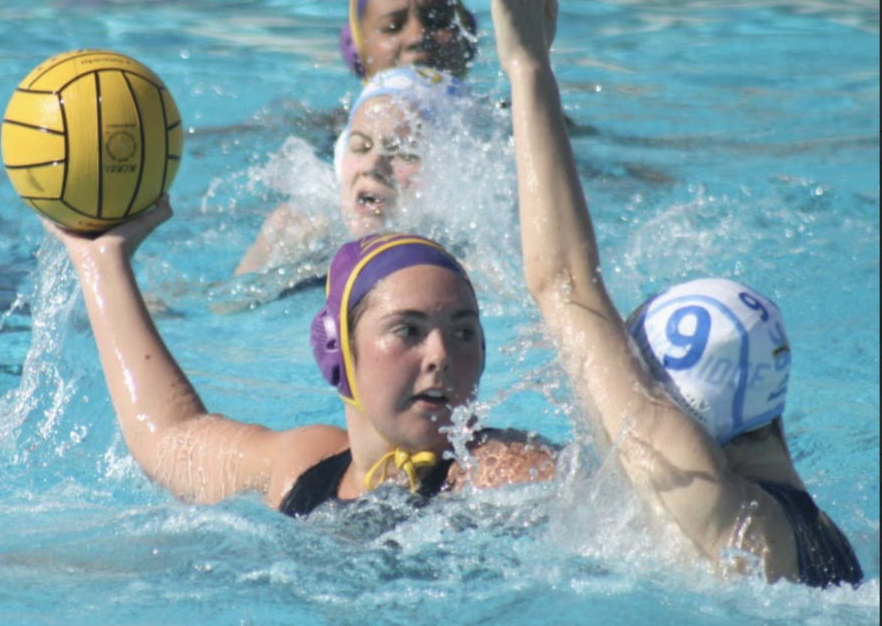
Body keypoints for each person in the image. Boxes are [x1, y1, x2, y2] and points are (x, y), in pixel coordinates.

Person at [484, 0, 862, 587]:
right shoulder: (833, 540)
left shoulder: (725, 516)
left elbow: (565, 284)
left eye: (645, 381)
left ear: (680, 406)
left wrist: (529, 69)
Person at [44, 212, 556, 517]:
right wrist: (100, 261)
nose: (442, 355)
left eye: (464, 332)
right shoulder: (303, 468)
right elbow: (171, 439)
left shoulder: (504, 473)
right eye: (409, 330)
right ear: (335, 351)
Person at [234, 66, 469, 278]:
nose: (372, 166)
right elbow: (226, 312)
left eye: (405, 154)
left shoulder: (470, 261)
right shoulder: (293, 225)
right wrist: (281, 266)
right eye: (360, 147)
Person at [340, 0, 558, 83]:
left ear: (467, 37)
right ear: (357, 50)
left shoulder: (517, 124)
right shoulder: (331, 135)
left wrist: (529, 66)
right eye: (392, 26)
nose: (417, 36)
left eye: (438, 22)